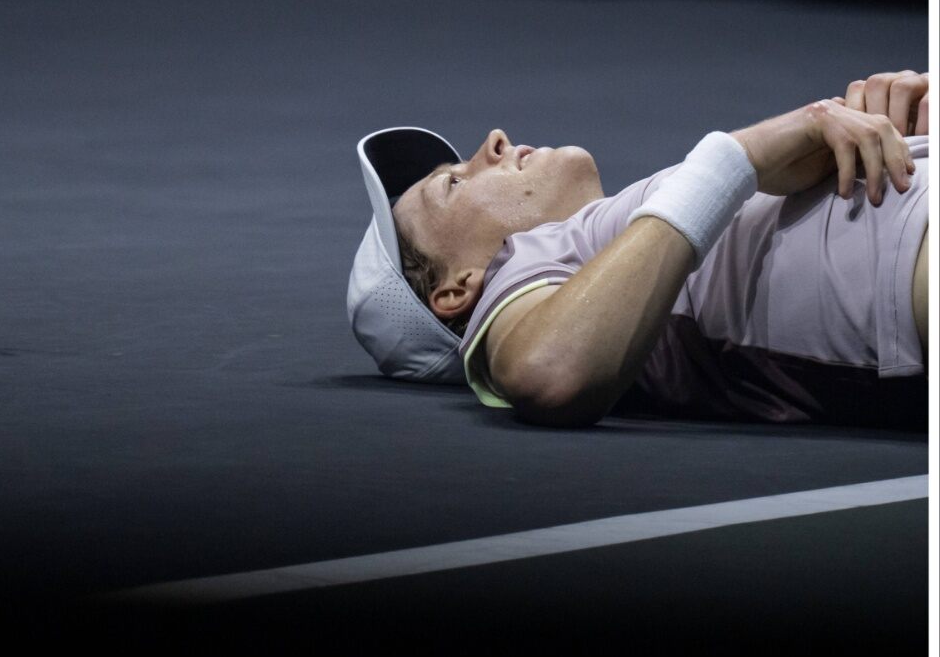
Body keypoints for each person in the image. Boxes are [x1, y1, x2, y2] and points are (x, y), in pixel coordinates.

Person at [347, 70, 929, 428]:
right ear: (460, 288)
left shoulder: (637, 228)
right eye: (454, 182)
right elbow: (548, 372)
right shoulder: (526, 267)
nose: (493, 143)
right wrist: (738, 159)